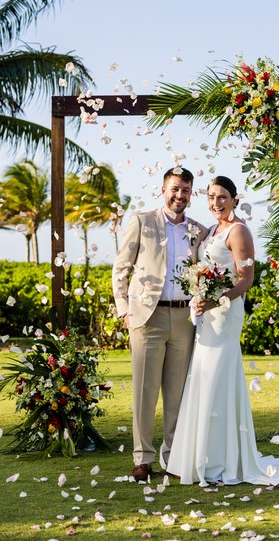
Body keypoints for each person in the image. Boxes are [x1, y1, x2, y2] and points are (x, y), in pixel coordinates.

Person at [167, 175, 279, 486]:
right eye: (212, 197)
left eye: (222, 197)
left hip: (224, 315)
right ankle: (196, 458)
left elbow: (246, 278)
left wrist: (215, 300)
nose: (216, 202)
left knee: (217, 377)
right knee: (200, 376)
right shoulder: (212, 229)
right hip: (205, 317)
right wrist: (199, 294)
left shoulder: (239, 231)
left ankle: (219, 461)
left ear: (234, 198)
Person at [112, 167, 207, 481]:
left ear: (191, 194)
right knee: (144, 391)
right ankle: (143, 458)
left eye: (186, 190)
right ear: (164, 189)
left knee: (177, 393)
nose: (180, 195)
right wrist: (125, 309)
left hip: (184, 319)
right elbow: (120, 268)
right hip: (146, 318)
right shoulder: (142, 221)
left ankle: (173, 457)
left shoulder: (199, 230)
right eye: (175, 189)